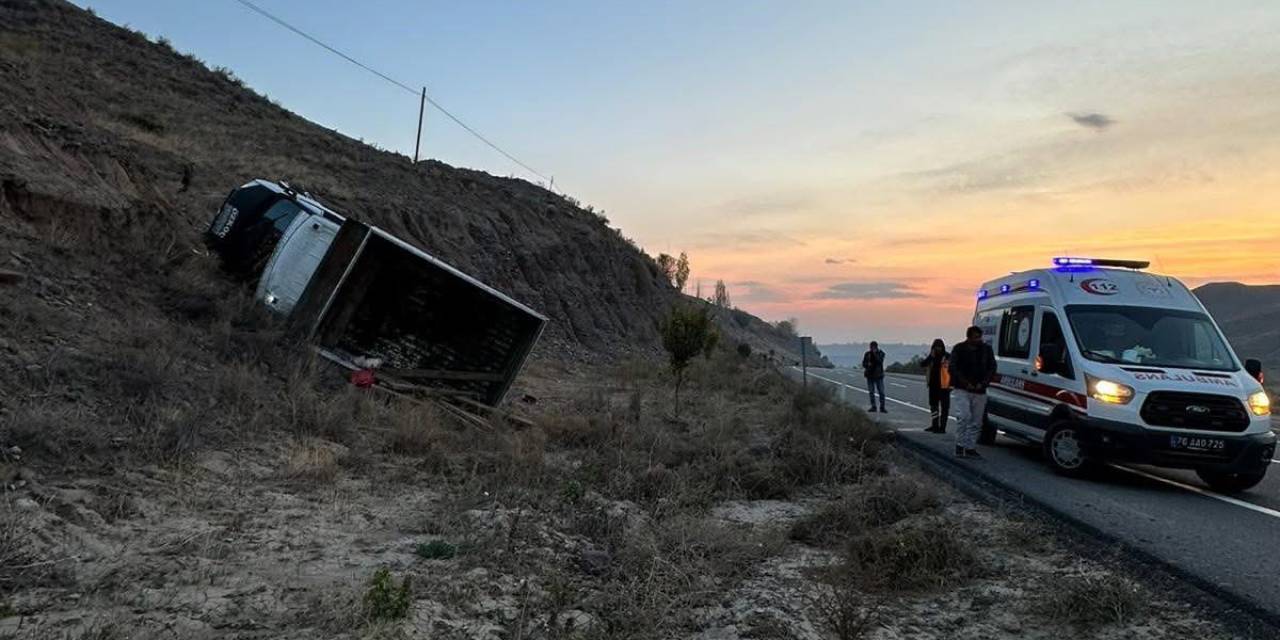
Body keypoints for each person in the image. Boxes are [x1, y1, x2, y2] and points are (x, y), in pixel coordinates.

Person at [949, 326, 996, 458]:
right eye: (975, 337)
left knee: (976, 421)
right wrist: (965, 383)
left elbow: (992, 368)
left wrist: (984, 383)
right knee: (964, 416)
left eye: (979, 337)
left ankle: (970, 447)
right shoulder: (959, 349)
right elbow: (953, 367)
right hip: (962, 389)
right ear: (969, 337)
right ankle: (959, 445)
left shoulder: (986, 350)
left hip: (980, 390)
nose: (978, 340)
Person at [921, 339, 951, 433]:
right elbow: (922, 364)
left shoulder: (947, 356)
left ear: (942, 347)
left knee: (945, 408)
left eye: (939, 347)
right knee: (934, 407)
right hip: (933, 385)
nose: (938, 349)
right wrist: (930, 357)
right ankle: (934, 425)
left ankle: (942, 427)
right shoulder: (932, 357)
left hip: (944, 386)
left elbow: (954, 369)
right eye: (936, 347)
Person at [861, 341, 887, 413]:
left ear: (876, 347)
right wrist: (867, 364)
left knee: (881, 392)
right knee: (871, 392)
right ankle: (873, 406)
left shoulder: (881, 353)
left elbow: (879, 361)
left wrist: (875, 354)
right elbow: (864, 363)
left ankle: (882, 407)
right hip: (870, 375)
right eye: (871, 347)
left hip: (879, 376)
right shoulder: (867, 354)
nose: (872, 348)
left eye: (873, 347)